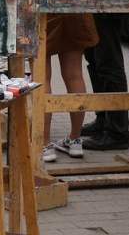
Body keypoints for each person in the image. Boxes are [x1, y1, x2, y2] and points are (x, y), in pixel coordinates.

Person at [43, 12, 97, 162]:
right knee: (74, 74)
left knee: (42, 76)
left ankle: (44, 144)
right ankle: (75, 139)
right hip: (73, 9)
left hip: (42, 12)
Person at [81, 14, 129, 151]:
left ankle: (117, 132)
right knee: (95, 61)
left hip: (108, 11)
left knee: (109, 64)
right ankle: (103, 119)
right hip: (94, 9)